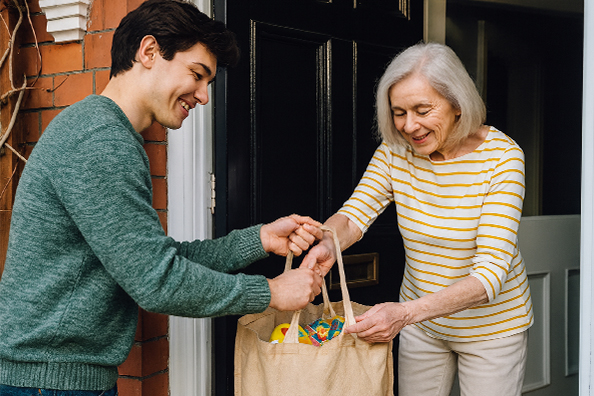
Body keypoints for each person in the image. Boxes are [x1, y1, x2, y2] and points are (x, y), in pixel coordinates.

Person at [0, 0, 324, 394]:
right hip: (50, 384)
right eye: (197, 74)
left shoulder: (104, 131)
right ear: (149, 51)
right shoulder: (101, 140)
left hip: (57, 379)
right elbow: (158, 281)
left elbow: (151, 260)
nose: (204, 96)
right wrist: (271, 293)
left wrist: (256, 241)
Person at [302, 42, 533, 396]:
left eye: (422, 110)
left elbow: (491, 273)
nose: (409, 126)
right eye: (399, 112)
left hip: (491, 330)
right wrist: (329, 241)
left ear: (457, 104)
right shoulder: (395, 152)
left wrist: (406, 313)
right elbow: (354, 214)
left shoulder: (502, 158)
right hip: (422, 327)